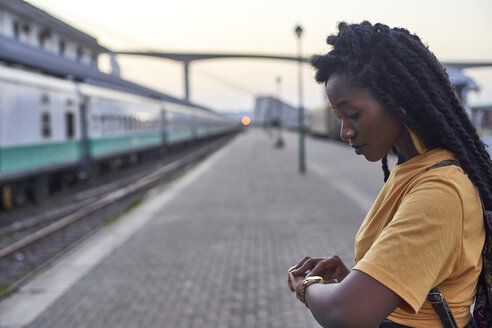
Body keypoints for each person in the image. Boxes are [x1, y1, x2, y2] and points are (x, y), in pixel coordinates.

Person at [287, 21, 492, 328]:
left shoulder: (442, 190)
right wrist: (360, 280)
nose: (345, 132)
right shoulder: (411, 169)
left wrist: (306, 286)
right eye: (338, 117)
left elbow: (345, 314)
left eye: (352, 114)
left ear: (399, 102)